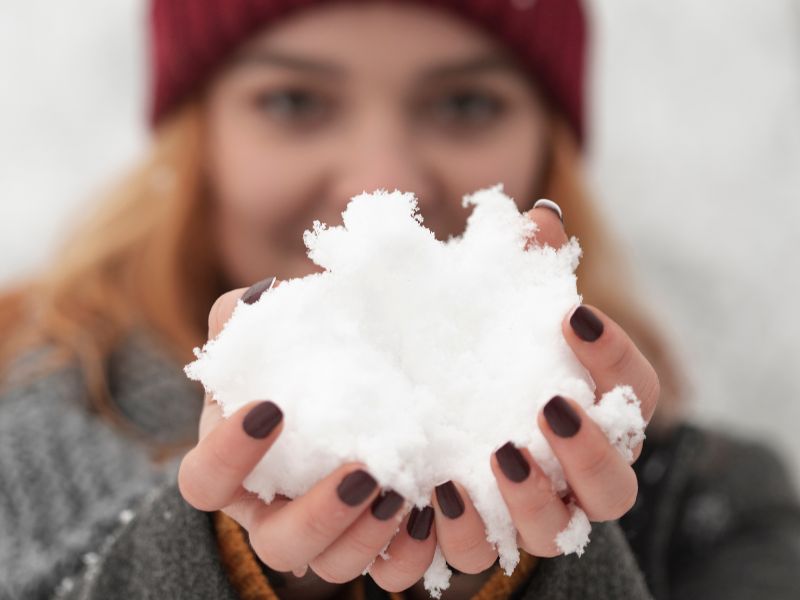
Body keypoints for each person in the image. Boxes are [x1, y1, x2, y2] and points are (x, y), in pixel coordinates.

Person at [1, 1, 798, 598]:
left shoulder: (709, 504)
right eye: (294, 101)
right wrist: (228, 568)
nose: (381, 182)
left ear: (546, 147)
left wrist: (531, 567)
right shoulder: (18, 438)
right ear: (200, 137)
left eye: (464, 104)